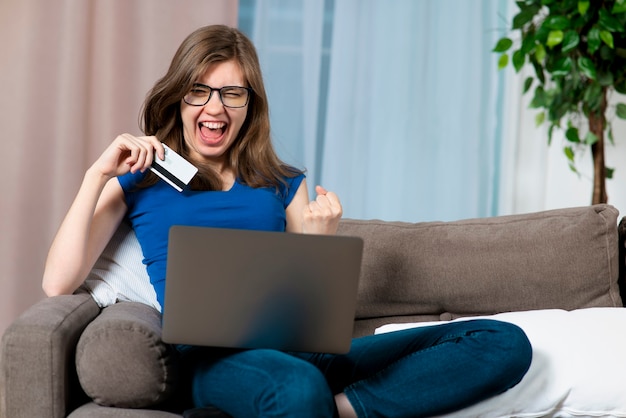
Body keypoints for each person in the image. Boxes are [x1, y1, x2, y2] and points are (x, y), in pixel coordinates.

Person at [42, 24, 532, 418]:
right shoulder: (138, 181)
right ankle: (309, 401)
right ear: (180, 98)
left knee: (502, 342)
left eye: (232, 94)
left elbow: (309, 317)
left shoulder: (283, 183)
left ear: (249, 105)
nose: (215, 108)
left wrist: (319, 244)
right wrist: (96, 173)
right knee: (295, 387)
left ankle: (342, 408)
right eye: (201, 92)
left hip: (304, 355)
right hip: (212, 360)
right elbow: (56, 282)